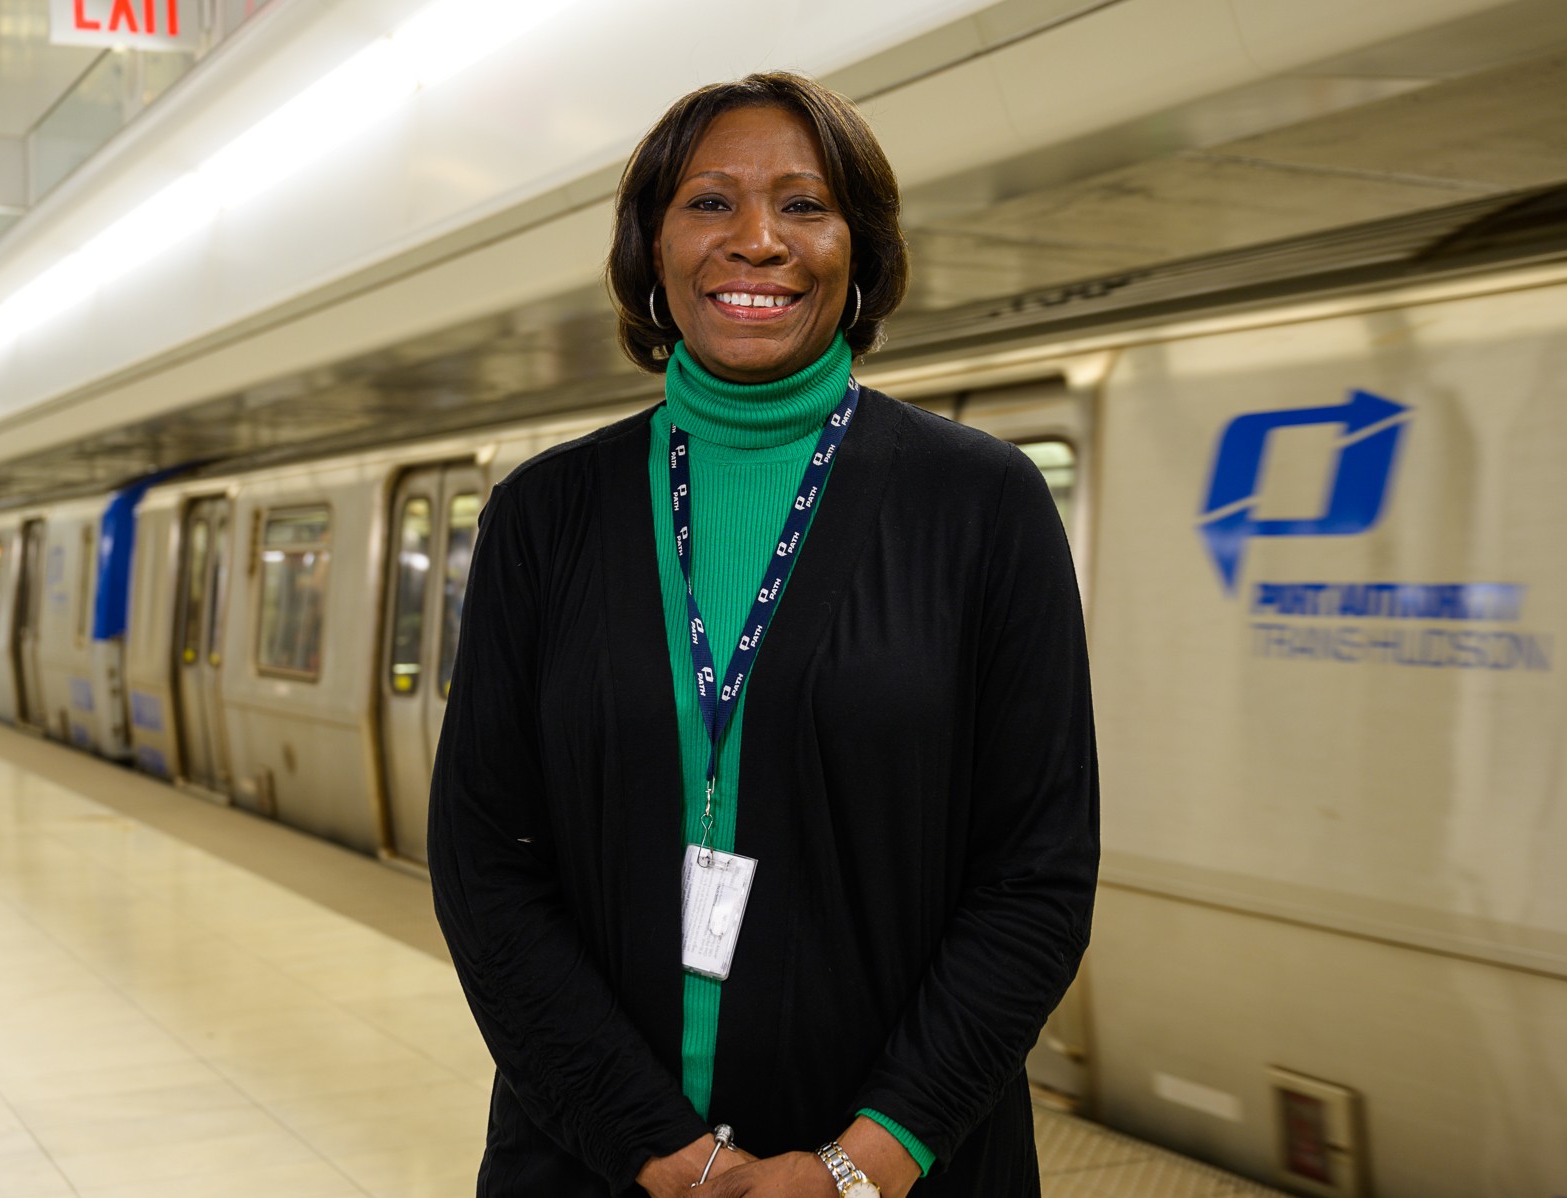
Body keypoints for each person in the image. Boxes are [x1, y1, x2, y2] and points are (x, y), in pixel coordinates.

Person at [429, 72, 1098, 1197]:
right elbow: (484, 864)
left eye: (803, 204)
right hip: (590, 1161)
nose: (756, 242)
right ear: (651, 250)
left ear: (860, 248)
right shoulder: (545, 513)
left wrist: (861, 1163)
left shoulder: (982, 502)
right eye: (707, 204)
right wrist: (662, 1149)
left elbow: (1037, 874)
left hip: (906, 1173)